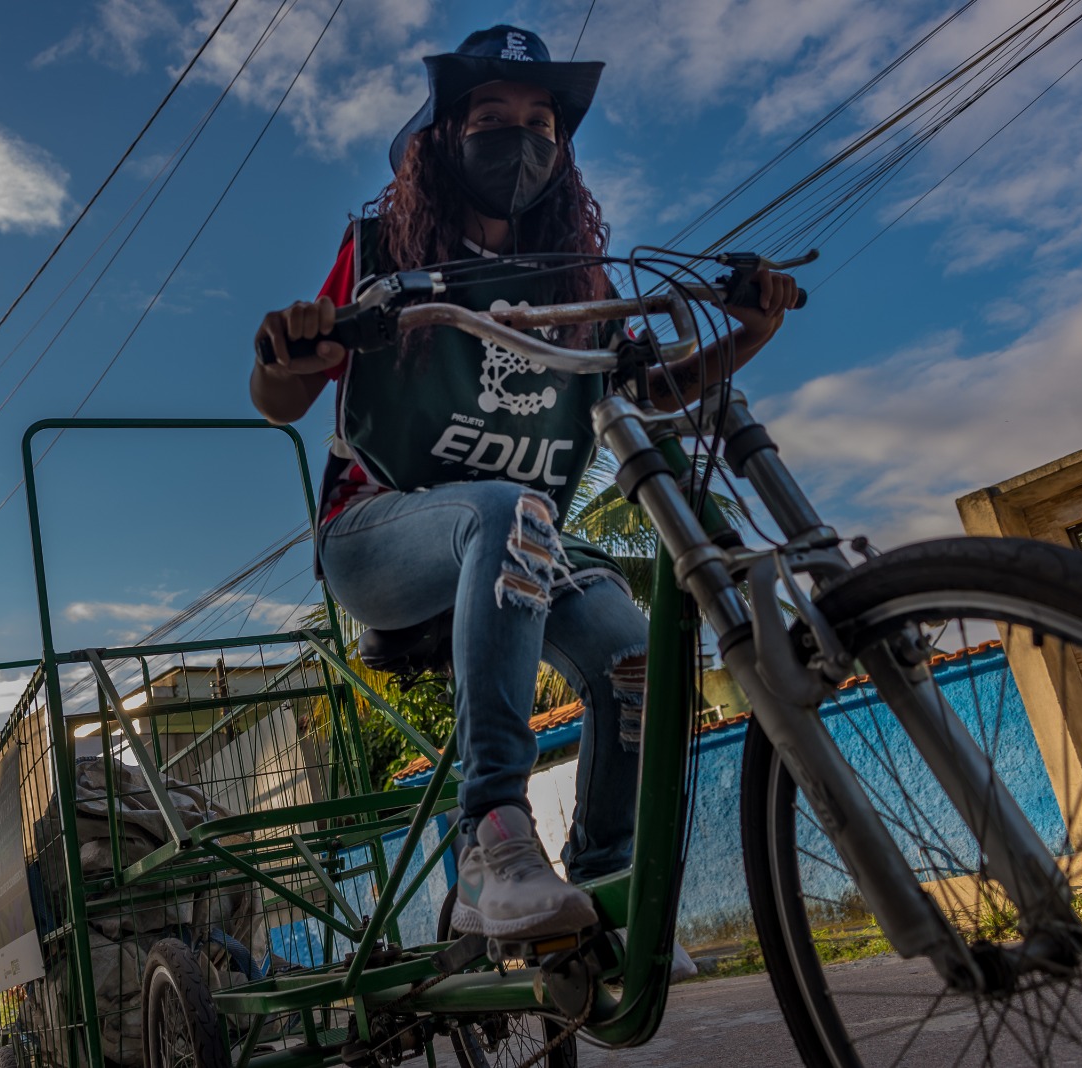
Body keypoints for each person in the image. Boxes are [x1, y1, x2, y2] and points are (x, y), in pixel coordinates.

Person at [250, 25, 797, 943]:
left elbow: (647, 389)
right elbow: (283, 394)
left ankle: (600, 888)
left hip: (526, 540)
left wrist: (748, 334)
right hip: (377, 536)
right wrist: (292, 349)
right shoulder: (384, 249)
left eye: (542, 123)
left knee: (637, 651)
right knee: (510, 511)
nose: (522, 140)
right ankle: (491, 840)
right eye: (493, 117)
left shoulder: (573, 277)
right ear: (443, 136)